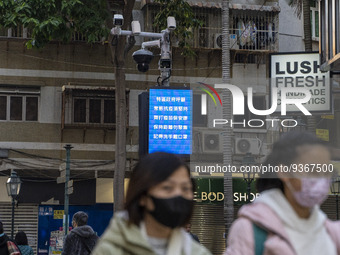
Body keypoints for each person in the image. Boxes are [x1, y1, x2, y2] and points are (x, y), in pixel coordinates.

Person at [224, 131, 340, 255]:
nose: (320, 179)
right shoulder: (250, 232)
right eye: (311, 169)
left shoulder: (332, 234)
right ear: (284, 171)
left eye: (326, 171)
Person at [92, 152, 212, 255]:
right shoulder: (110, 250)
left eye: (186, 188)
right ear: (143, 196)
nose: (178, 195)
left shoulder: (197, 252)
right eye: (167, 188)